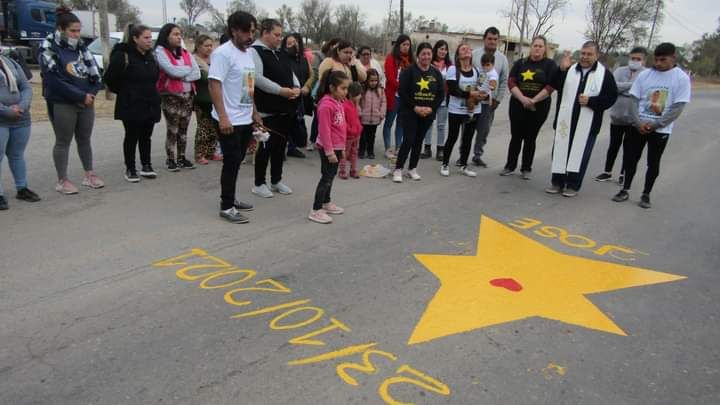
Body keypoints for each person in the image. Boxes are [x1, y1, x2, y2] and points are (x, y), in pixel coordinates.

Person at [612, 42, 691, 209]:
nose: (659, 63)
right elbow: (634, 100)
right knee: (630, 158)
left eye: (663, 60)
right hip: (637, 126)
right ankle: (625, 189)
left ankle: (646, 194)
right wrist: (637, 122)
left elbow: (678, 107)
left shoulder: (681, 78)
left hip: (660, 129)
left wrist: (656, 125)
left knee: (653, 162)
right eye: (656, 60)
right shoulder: (645, 75)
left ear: (673, 58)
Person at [40, 7, 104, 194]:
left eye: (78, 30)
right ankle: (62, 179)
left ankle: (89, 174)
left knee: (84, 139)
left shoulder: (81, 47)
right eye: (72, 31)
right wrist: (79, 95)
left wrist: (90, 94)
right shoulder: (49, 47)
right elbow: (53, 79)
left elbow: (95, 75)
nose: (77, 34)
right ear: (61, 29)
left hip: (86, 102)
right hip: (62, 102)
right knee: (63, 141)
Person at [546, 41, 618, 197]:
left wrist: (591, 102)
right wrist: (560, 69)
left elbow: (611, 97)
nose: (585, 57)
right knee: (559, 151)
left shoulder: (604, 74)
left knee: (580, 155)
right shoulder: (570, 70)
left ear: (597, 55)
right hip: (565, 121)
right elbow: (553, 84)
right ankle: (557, 182)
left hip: (588, 125)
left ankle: (573, 185)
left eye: (589, 54)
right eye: (583, 53)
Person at [209, 11, 258, 223]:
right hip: (229, 120)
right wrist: (223, 117)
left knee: (237, 161)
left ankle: (232, 197)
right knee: (231, 162)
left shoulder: (248, 53)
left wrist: (254, 112)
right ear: (234, 30)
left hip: (245, 118)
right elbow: (214, 84)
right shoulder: (222, 53)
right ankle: (226, 206)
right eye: (247, 31)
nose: (250, 35)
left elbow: (249, 85)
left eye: (253, 31)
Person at [104, 24, 161, 183]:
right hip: (131, 103)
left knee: (146, 136)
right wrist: (125, 92)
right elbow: (109, 78)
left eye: (151, 38)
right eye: (146, 38)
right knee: (132, 135)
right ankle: (130, 168)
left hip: (150, 101)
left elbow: (155, 77)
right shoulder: (123, 55)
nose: (150, 41)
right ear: (135, 38)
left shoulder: (151, 56)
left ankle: (146, 165)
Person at [250, 19, 299, 198]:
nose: (280, 39)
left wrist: (296, 88)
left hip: (285, 108)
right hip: (266, 108)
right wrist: (280, 91)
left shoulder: (280, 53)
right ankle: (259, 183)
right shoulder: (255, 52)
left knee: (280, 147)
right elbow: (257, 78)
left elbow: (291, 74)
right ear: (264, 33)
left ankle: (276, 180)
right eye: (276, 35)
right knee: (265, 147)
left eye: (281, 35)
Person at [500, 36, 559, 180]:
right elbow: (512, 82)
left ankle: (526, 168)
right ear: (530, 47)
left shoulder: (550, 65)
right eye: (535, 45)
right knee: (516, 136)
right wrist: (523, 99)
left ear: (545, 48)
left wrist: (534, 100)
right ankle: (510, 165)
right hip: (518, 105)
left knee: (530, 138)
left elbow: (551, 86)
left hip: (538, 107)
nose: (537, 48)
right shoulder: (520, 63)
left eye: (540, 46)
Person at [392, 42, 444, 183]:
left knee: (418, 141)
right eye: (423, 54)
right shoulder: (409, 71)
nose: (426, 57)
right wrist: (415, 107)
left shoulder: (436, 73)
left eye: (428, 54)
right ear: (418, 55)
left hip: (427, 114)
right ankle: (398, 169)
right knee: (408, 139)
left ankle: (412, 168)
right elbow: (402, 91)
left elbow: (440, 93)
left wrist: (431, 108)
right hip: (410, 112)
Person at [595, 46, 647, 183]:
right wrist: (632, 86)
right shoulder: (619, 70)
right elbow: (613, 87)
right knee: (613, 146)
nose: (635, 61)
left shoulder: (646, 74)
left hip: (633, 119)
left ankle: (623, 174)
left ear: (644, 60)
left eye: (638, 59)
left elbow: (642, 93)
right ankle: (607, 171)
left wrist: (624, 88)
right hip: (616, 117)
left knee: (628, 149)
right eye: (632, 58)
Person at [155, 23, 200, 172]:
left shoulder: (185, 53)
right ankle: (171, 159)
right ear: (166, 35)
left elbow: (197, 73)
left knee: (184, 128)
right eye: (175, 34)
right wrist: (186, 71)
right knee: (173, 128)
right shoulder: (161, 51)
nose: (179, 37)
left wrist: (182, 74)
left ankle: (181, 157)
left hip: (188, 96)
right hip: (171, 96)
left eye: (180, 34)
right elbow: (171, 70)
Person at [309, 71, 350, 224]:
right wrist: (329, 151)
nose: (346, 92)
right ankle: (316, 209)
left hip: (337, 148)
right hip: (329, 149)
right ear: (332, 88)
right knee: (326, 177)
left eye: (347, 88)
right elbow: (324, 131)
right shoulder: (326, 105)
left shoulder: (339, 102)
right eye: (343, 88)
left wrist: (343, 148)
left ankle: (326, 202)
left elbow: (341, 128)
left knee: (331, 176)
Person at [0, 50, 38, 210]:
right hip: (2, 118)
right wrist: (7, 111)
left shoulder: (10, 62)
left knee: (17, 155)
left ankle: (22, 188)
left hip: (20, 118)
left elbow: (26, 87)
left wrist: (21, 107)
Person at [440, 43, 484, 178]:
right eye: (462, 49)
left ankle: (464, 165)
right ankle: (445, 164)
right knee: (452, 137)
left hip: (473, 110)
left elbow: (481, 86)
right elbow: (453, 90)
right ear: (458, 54)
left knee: (468, 138)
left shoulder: (476, 70)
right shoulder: (453, 70)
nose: (466, 50)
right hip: (456, 110)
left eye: (468, 49)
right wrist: (471, 94)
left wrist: (482, 95)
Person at [470, 26, 509, 167]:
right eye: (489, 39)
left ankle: (477, 155)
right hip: (473, 100)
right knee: (467, 129)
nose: (492, 42)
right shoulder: (474, 55)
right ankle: (463, 155)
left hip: (489, 103)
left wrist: (498, 100)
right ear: (484, 39)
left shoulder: (502, 59)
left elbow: (504, 81)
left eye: (495, 39)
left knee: (483, 130)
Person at [283, 32, 315, 159]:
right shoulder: (282, 58)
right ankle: (281, 149)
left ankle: (292, 148)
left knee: (297, 122)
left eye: (295, 42)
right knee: (285, 123)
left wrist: (307, 86)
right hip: (287, 95)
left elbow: (312, 74)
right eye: (289, 43)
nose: (293, 45)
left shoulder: (303, 59)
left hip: (300, 96)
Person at [383, 35, 414, 158]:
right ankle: (388, 148)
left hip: (405, 98)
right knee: (389, 122)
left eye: (408, 45)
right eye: (404, 44)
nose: (406, 47)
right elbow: (390, 78)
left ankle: (398, 147)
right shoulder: (391, 58)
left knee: (401, 123)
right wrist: (403, 89)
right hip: (393, 96)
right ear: (398, 45)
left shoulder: (411, 60)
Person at [192, 34, 221, 165]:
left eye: (211, 45)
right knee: (203, 128)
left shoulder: (214, 59)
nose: (209, 48)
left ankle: (211, 152)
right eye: (206, 46)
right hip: (201, 99)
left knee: (214, 127)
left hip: (215, 99)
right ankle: (199, 154)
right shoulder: (195, 61)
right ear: (198, 46)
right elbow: (204, 78)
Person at [421, 40, 451, 160]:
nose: (443, 51)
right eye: (440, 49)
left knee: (441, 125)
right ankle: (427, 148)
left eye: (445, 49)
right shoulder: (430, 63)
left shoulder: (450, 66)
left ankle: (440, 149)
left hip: (443, 99)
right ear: (436, 50)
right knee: (428, 124)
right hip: (430, 99)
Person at [358, 68, 386, 159]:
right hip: (363, 118)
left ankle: (370, 151)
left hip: (375, 119)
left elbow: (383, 103)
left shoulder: (380, 90)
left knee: (372, 136)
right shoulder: (362, 89)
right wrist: (359, 113)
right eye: (371, 80)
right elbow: (357, 102)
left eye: (375, 80)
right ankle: (361, 151)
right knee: (362, 136)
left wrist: (381, 114)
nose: (374, 82)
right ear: (367, 80)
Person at [338, 82, 363, 179]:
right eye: (359, 94)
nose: (360, 96)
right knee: (345, 154)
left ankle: (353, 169)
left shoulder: (355, 105)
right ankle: (342, 170)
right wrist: (350, 130)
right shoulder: (345, 106)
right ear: (352, 95)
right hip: (348, 135)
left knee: (354, 153)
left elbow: (356, 119)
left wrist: (359, 128)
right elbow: (344, 122)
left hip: (356, 135)